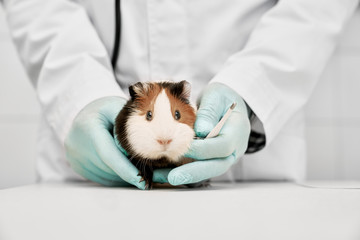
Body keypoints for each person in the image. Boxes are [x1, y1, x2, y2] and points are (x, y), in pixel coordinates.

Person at [1, 0, 358, 189]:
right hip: (87, 182)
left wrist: (251, 89)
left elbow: (317, 6)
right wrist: (78, 95)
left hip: (251, 176)